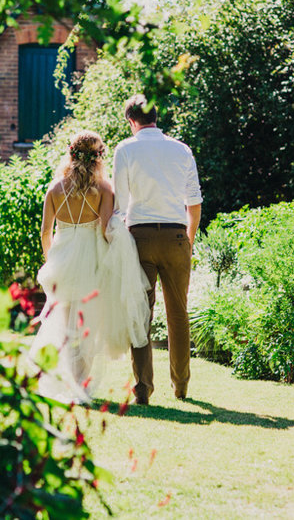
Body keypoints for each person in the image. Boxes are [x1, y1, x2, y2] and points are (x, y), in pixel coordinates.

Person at [29, 130, 151, 403]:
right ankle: (79, 385)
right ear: (98, 158)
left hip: (62, 260)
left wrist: (51, 260)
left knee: (63, 322)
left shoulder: (54, 189)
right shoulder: (104, 189)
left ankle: (63, 381)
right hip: (92, 260)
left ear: (71, 154)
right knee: (87, 327)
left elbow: (45, 232)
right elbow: (107, 229)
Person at [113, 94, 202, 404]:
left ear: (130, 121)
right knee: (178, 314)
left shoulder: (125, 149)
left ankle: (143, 388)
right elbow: (194, 202)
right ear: (155, 116)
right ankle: (181, 386)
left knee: (141, 314)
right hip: (177, 234)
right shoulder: (181, 150)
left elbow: (119, 204)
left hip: (140, 237)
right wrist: (188, 239)